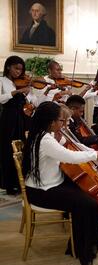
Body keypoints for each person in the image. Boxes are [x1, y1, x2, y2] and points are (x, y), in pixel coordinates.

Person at [23, 102, 98, 265]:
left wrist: (90, 152)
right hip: (42, 191)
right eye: (61, 121)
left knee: (89, 198)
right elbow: (70, 156)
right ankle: (82, 252)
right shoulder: (45, 140)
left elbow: (73, 146)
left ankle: (93, 239)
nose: (63, 125)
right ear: (51, 121)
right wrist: (95, 154)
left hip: (51, 183)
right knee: (85, 204)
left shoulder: (43, 134)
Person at [0, 56, 38, 195]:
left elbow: (33, 100)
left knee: (23, 148)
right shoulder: (2, 80)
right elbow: (1, 99)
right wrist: (16, 92)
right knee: (8, 149)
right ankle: (9, 184)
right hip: (9, 118)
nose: (18, 72)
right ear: (8, 67)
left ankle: (21, 181)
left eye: (21, 69)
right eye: (16, 68)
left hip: (22, 118)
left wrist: (30, 98)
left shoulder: (23, 83)